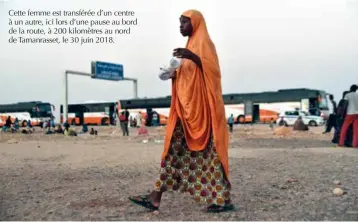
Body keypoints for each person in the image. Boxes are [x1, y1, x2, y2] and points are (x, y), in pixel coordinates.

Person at [129, 10, 234, 213]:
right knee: (172, 152)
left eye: (184, 23)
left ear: (195, 23)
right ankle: (155, 197)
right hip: (186, 113)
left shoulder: (204, 46)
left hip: (206, 114)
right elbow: (188, 78)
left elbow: (214, 74)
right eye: (180, 23)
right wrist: (172, 74)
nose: (181, 27)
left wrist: (193, 57)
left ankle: (223, 199)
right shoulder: (188, 48)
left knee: (213, 156)